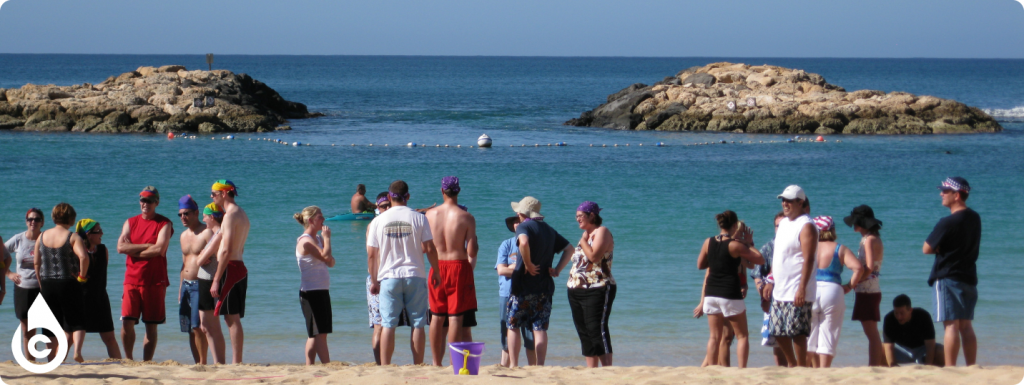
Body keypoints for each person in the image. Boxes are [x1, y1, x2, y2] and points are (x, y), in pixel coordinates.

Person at [366, 180, 439, 365]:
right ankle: (418, 365)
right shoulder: (419, 218)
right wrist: (437, 271)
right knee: (418, 324)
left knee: (388, 325)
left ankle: (385, 366)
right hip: (414, 274)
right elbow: (429, 248)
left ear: (390, 197)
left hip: (388, 276)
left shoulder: (377, 221)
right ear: (408, 196)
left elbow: (372, 255)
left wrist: (374, 281)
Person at [505, 196, 574, 368]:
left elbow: (524, 242)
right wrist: (557, 269)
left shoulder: (524, 226)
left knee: (513, 325)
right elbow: (570, 249)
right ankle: (540, 365)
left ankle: (514, 364)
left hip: (522, 286)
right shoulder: (549, 230)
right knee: (540, 328)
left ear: (521, 213)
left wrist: (527, 263)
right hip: (544, 287)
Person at [923, 176, 980, 367]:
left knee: (951, 325)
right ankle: (971, 366)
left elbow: (926, 248)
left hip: (947, 276)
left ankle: (950, 368)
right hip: (969, 275)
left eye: (945, 191)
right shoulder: (975, 218)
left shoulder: (948, 222)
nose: (941, 194)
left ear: (957, 195)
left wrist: (940, 247)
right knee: (966, 325)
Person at [695, 210, 764, 368]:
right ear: (734, 225)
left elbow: (700, 265)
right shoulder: (735, 245)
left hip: (711, 294)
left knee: (714, 337)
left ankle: (712, 371)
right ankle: (741, 371)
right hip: (729, 294)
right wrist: (748, 243)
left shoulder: (708, 242)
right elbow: (760, 259)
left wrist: (714, 261)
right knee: (742, 336)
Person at [424, 176, 479, 366]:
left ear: (442, 191)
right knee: (456, 317)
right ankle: (456, 364)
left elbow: (425, 247)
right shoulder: (467, 217)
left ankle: (435, 363)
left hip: (437, 266)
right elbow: (472, 251)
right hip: (458, 266)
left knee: (437, 316)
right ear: (459, 191)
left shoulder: (429, 215)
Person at [116, 186, 173, 361]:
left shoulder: (164, 223)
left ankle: (147, 362)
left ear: (157, 202)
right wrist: (147, 246)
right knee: (127, 322)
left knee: (151, 326)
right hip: (131, 280)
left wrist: (132, 250)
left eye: (149, 200)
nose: (145, 204)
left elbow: (159, 250)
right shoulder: (130, 222)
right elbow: (120, 247)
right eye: (142, 200)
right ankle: (128, 359)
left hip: (154, 281)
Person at [565, 201, 619, 368]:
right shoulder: (587, 236)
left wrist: (583, 242)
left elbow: (594, 257)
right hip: (576, 289)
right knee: (584, 331)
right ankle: (591, 370)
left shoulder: (601, 232)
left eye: (580, 216)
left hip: (598, 287)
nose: (577, 219)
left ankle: (607, 369)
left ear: (592, 215)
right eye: (576, 216)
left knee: (597, 329)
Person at [34, 203, 89, 363]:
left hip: (47, 283)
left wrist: (41, 281)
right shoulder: (72, 237)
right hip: (68, 282)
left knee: (50, 324)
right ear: (71, 218)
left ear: (53, 217)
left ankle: (51, 359)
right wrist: (82, 277)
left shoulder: (42, 236)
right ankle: (77, 351)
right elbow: (83, 257)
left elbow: (37, 263)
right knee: (76, 319)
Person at [769, 185, 817, 368]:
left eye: (789, 200)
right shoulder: (783, 224)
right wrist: (769, 280)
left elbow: (809, 259)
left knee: (797, 332)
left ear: (800, 202)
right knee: (777, 330)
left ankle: (802, 367)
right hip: (780, 288)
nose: (785, 203)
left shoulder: (806, 225)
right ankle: (792, 364)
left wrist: (802, 288)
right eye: (783, 200)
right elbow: (779, 255)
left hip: (797, 288)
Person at [806, 216, 864, 368]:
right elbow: (858, 268)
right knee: (828, 335)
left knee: (808, 336)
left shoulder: (808, 247)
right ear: (832, 230)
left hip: (810, 289)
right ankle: (824, 373)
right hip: (832, 291)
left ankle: (804, 371)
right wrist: (849, 286)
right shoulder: (840, 248)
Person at [366, 193, 416, 364]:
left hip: (392, 276)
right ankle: (380, 363)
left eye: (388, 205)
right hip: (378, 277)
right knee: (379, 325)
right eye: (382, 206)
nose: (386, 208)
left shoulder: (386, 223)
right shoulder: (375, 224)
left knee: (391, 324)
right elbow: (372, 254)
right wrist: (374, 280)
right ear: (377, 207)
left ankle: (384, 362)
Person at [6, 208, 55, 362]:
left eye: (37, 219)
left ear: (42, 222)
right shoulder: (18, 239)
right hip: (23, 288)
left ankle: (51, 363)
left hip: (45, 288)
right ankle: (31, 363)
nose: (33, 222)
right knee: (27, 330)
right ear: (26, 221)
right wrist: (9, 274)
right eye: (30, 219)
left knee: (48, 329)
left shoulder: (47, 238)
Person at [209, 179, 250, 364]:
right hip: (239, 266)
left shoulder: (230, 215)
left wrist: (217, 278)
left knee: (231, 318)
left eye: (214, 194)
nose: (211, 197)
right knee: (232, 317)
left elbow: (226, 249)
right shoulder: (241, 213)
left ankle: (236, 362)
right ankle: (237, 360)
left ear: (224, 193)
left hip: (231, 268)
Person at [843, 204, 886, 366]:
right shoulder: (872, 238)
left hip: (868, 291)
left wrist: (852, 283)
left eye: (855, 221)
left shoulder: (869, 240)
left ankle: (874, 366)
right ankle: (876, 364)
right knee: (872, 331)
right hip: (871, 289)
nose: (853, 224)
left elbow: (868, 268)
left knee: (871, 333)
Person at [294, 206, 336, 365]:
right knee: (318, 333)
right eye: (320, 217)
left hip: (322, 290)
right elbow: (326, 256)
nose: (323, 219)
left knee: (318, 333)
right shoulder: (305, 241)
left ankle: (309, 365)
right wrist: (327, 238)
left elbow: (330, 261)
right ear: (311, 220)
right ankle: (327, 365)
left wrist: (327, 253)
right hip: (310, 292)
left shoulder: (317, 239)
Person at [76, 219, 122, 359]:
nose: (102, 233)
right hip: (80, 299)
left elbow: (102, 274)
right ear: (89, 234)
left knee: (110, 338)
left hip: (100, 299)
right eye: (98, 231)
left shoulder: (103, 250)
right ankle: (57, 365)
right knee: (69, 338)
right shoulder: (77, 252)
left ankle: (119, 365)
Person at [497, 215, 537, 367]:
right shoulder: (506, 245)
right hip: (507, 293)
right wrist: (519, 268)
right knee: (506, 335)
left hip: (528, 293)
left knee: (530, 336)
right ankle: (507, 366)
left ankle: (534, 368)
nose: (517, 224)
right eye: (514, 222)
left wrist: (513, 268)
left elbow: (534, 269)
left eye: (519, 221)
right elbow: (501, 270)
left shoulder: (532, 244)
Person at [177, 195, 210, 364]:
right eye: (180, 214)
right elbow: (183, 265)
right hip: (186, 286)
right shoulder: (183, 236)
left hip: (200, 284)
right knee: (189, 328)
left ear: (196, 212)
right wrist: (179, 289)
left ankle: (203, 363)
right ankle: (197, 362)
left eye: (187, 213)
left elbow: (218, 255)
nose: (183, 217)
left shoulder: (206, 232)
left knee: (199, 327)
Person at [751, 211, 786, 366]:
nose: (780, 228)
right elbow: (756, 273)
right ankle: (782, 372)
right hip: (773, 302)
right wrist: (761, 290)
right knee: (776, 342)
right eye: (777, 226)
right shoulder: (768, 247)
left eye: (784, 225)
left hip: (794, 297)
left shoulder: (800, 245)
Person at [196, 203, 227, 364]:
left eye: (205, 216)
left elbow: (199, 260)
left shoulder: (219, 234)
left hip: (208, 281)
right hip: (205, 280)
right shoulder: (218, 233)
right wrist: (201, 256)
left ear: (212, 217)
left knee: (209, 326)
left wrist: (201, 256)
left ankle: (219, 362)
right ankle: (218, 362)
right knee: (207, 326)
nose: (203, 219)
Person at [883, 294, 945, 367]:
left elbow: (930, 346)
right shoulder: (889, 319)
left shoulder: (923, 316)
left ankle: (936, 375)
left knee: (941, 350)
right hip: (902, 351)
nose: (899, 317)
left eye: (902, 313)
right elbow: (889, 347)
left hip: (922, 350)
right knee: (880, 348)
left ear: (910, 310)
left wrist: (928, 367)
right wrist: (893, 366)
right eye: (896, 313)